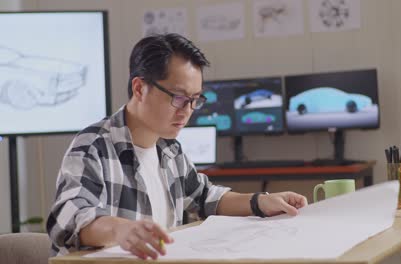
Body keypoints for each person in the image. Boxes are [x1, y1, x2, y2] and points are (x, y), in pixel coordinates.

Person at [47, 33, 308, 260]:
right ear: (139, 89)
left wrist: (261, 202)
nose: (187, 111)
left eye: (195, 100)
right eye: (179, 98)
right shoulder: (94, 145)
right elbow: (69, 216)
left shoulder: (170, 150)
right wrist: (121, 230)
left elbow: (205, 198)